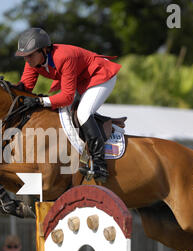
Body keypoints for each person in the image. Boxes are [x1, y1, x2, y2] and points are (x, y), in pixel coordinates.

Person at [15, 27, 121, 182]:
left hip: (100, 75)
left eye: (30, 55)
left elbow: (66, 97)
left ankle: (99, 164)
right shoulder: (32, 62)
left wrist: (39, 101)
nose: (27, 60)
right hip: (81, 78)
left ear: (44, 50)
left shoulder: (64, 57)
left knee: (83, 113)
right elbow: (24, 88)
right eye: (24, 56)